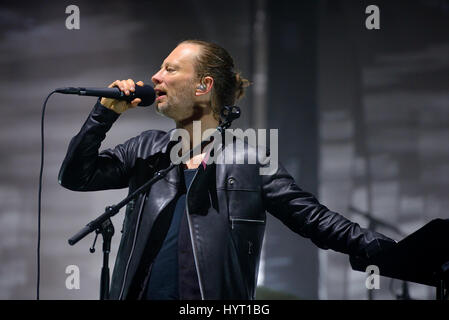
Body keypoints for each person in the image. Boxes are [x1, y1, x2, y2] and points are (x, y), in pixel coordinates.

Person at [58, 39, 396, 300]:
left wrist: (396, 253)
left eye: (170, 69)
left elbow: (316, 221)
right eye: (159, 69)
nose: (156, 77)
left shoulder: (248, 161)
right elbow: (76, 176)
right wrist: (104, 114)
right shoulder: (146, 148)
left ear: (204, 86)